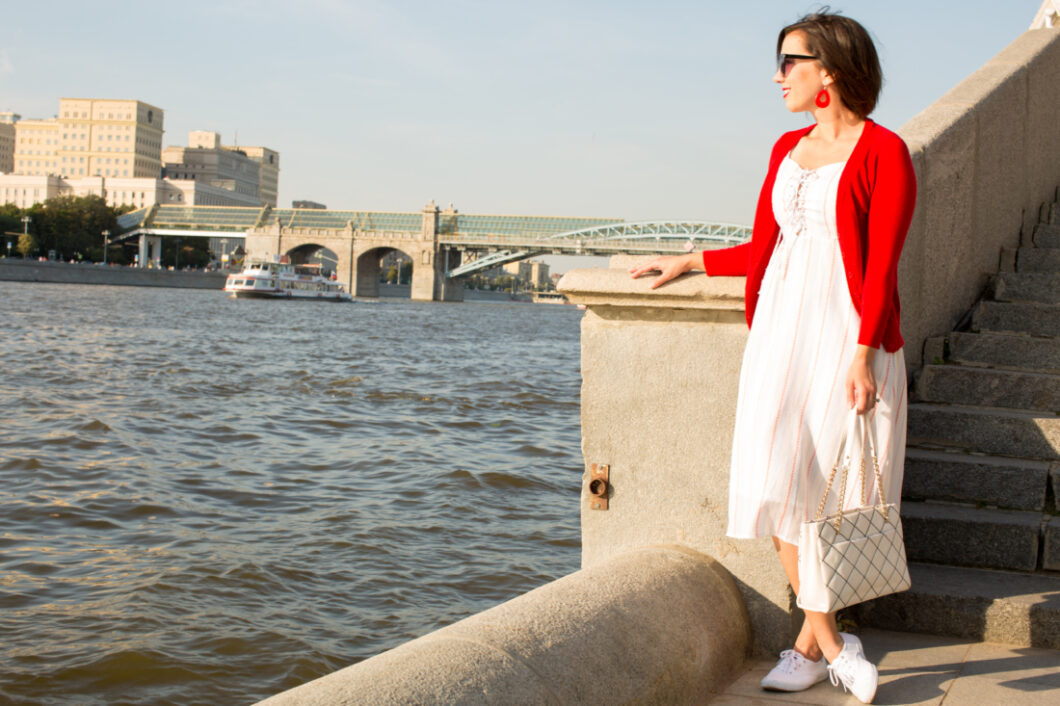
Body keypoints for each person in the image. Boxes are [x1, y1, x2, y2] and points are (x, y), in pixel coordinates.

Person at [630, 11, 916, 705]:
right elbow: (767, 247)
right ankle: (833, 643)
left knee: (829, 500)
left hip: (848, 338)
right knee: (779, 487)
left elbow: (881, 266)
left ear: (831, 69)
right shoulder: (786, 149)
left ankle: (808, 649)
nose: (777, 74)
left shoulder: (884, 152)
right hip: (780, 338)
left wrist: (863, 352)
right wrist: (691, 259)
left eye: (789, 60)